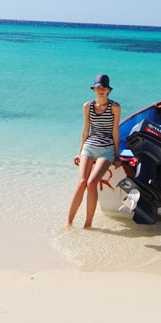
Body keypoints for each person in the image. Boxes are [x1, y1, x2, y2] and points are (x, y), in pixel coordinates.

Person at [67, 74, 121, 228]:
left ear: (109, 90)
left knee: (92, 183)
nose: (101, 90)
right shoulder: (87, 106)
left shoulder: (115, 107)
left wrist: (117, 155)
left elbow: (115, 132)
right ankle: (69, 223)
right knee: (81, 183)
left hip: (106, 149)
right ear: (94, 90)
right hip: (89, 147)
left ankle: (88, 224)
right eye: (98, 88)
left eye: (104, 88)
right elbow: (85, 131)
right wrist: (80, 152)